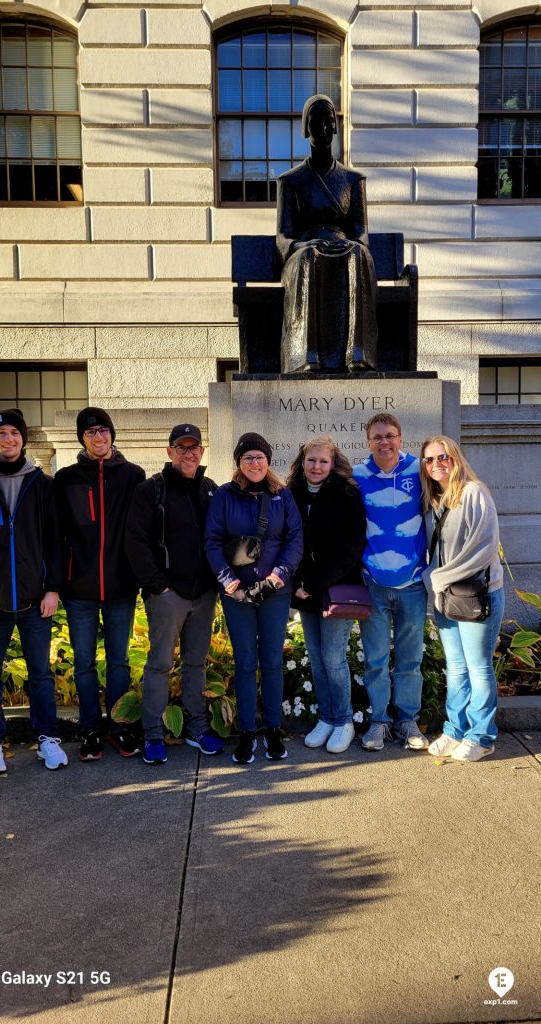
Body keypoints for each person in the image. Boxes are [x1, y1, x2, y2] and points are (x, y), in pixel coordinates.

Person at [0, 409, 67, 775]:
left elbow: (56, 542)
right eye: (1, 434)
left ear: (24, 439)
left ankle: (47, 738)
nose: (8, 440)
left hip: (34, 598)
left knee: (40, 672)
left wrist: (52, 588)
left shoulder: (43, 484)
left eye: (14, 433)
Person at [125, 424, 223, 765]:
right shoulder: (150, 490)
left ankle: (196, 727)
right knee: (160, 665)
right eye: (181, 448)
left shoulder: (210, 490)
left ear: (202, 451)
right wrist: (159, 586)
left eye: (194, 447)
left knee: (195, 663)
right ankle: (153, 733)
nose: (189, 453)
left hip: (204, 593)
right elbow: (135, 543)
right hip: (168, 595)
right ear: (169, 452)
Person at [205, 432, 303, 765]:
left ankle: (272, 728)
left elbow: (295, 540)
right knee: (246, 662)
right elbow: (212, 542)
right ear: (239, 463)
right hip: (238, 594)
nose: (254, 463)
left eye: (259, 457)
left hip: (275, 591)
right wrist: (228, 582)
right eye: (248, 458)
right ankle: (247, 731)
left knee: (272, 662)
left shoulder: (282, 495)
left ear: (268, 460)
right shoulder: (224, 495)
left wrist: (280, 575)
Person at [55, 407, 146, 762]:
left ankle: (120, 725)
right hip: (80, 589)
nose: (98, 437)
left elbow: (141, 531)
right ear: (82, 438)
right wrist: (62, 577)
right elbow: (57, 534)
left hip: (121, 587)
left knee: (120, 661)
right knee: (83, 663)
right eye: (91, 433)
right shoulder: (66, 479)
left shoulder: (133, 475)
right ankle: (91, 728)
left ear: (112, 434)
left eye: (104, 431)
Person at [276, 93, 377, 374]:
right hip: (305, 250)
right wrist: (301, 244)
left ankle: (357, 354)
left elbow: (361, 233)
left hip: (343, 248)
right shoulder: (291, 181)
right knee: (310, 256)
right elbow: (283, 236)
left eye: (328, 122)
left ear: (335, 127)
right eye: (316, 122)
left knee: (357, 254)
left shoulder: (352, 180)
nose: (323, 129)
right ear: (306, 127)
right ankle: (304, 356)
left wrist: (347, 244)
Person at [421, 436, 504, 762]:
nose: (436, 464)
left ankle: (482, 736)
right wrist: (436, 582)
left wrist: (436, 579)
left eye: (443, 457)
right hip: (446, 598)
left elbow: (482, 550)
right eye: (429, 460)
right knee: (455, 668)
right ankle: (456, 729)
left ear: (455, 458)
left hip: (475, 595)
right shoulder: (436, 499)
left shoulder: (474, 493)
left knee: (479, 668)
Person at [352, 413, 429, 751]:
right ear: (368, 442)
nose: (385, 442)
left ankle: (407, 721)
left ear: (401, 439)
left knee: (411, 659)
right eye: (378, 437)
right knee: (376, 659)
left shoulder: (420, 471)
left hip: (413, 584)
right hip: (374, 585)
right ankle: (379, 722)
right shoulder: (356, 476)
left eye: (391, 436)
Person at [287, 436, 366, 754]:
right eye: (311, 460)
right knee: (317, 660)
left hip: (335, 587)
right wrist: (297, 581)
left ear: (332, 464)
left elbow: (351, 548)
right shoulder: (291, 492)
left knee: (334, 659)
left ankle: (344, 720)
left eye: (323, 461)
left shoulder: (347, 494)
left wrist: (314, 582)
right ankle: (326, 717)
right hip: (304, 589)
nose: (316, 466)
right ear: (302, 462)